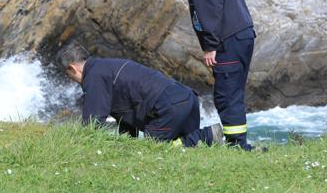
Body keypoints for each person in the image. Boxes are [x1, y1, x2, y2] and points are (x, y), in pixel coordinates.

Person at [150, 0, 256, 151]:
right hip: (241, 35)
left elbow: (208, 9)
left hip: (228, 39)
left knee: (226, 94)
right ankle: (238, 144)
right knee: (233, 92)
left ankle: (237, 146)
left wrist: (210, 46)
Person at [58, 43, 223, 147]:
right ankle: (200, 139)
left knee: (153, 149)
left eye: (69, 76)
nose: (72, 80)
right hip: (185, 98)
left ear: (73, 68)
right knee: (186, 153)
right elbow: (126, 113)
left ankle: (207, 135)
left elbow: (92, 123)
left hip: (169, 106)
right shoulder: (107, 67)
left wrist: (80, 147)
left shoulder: (94, 76)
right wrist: (126, 146)